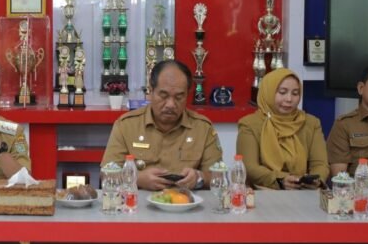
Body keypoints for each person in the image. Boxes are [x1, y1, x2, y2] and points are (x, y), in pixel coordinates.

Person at [101, 60, 223, 191]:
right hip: (139, 202)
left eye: (179, 97)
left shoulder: (203, 128)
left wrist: (199, 178)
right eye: (163, 96)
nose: (171, 104)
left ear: (187, 94)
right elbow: (106, 174)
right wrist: (137, 179)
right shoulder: (126, 125)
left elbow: (219, 177)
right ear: (151, 91)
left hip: (186, 201)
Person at [237, 68, 329, 189]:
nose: (289, 99)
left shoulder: (311, 123)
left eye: (295, 93)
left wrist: (316, 180)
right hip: (263, 192)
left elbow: (320, 164)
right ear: (269, 92)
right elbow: (250, 168)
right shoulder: (250, 124)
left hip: (304, 191)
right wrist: (280, 179)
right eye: (282, 92)